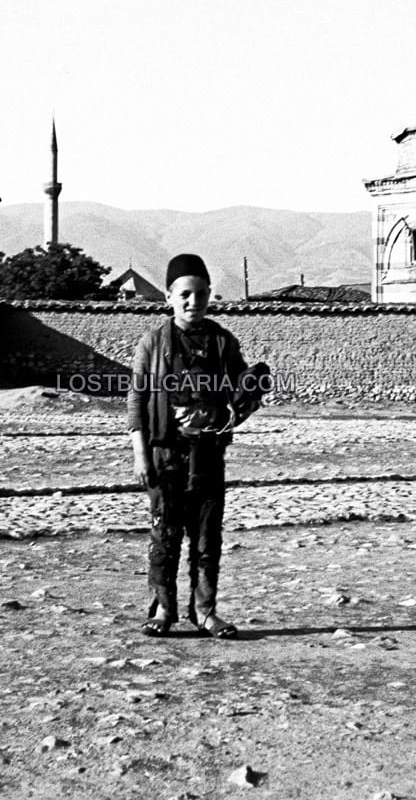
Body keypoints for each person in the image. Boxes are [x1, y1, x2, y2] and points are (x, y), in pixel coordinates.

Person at [127, 253, 268, 639]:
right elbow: (137, 402)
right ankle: (163, 610)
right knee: (165, 535)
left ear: (210, 295)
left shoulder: (223, 342)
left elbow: (245, 391)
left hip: (207, 455)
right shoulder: (153, 343)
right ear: (169, 297)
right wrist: (141, 455)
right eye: (185, 294)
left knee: (207, 538)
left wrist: (232, 411)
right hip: (165, 454)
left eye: (201, 293)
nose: (194, 302)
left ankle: (205, 611)